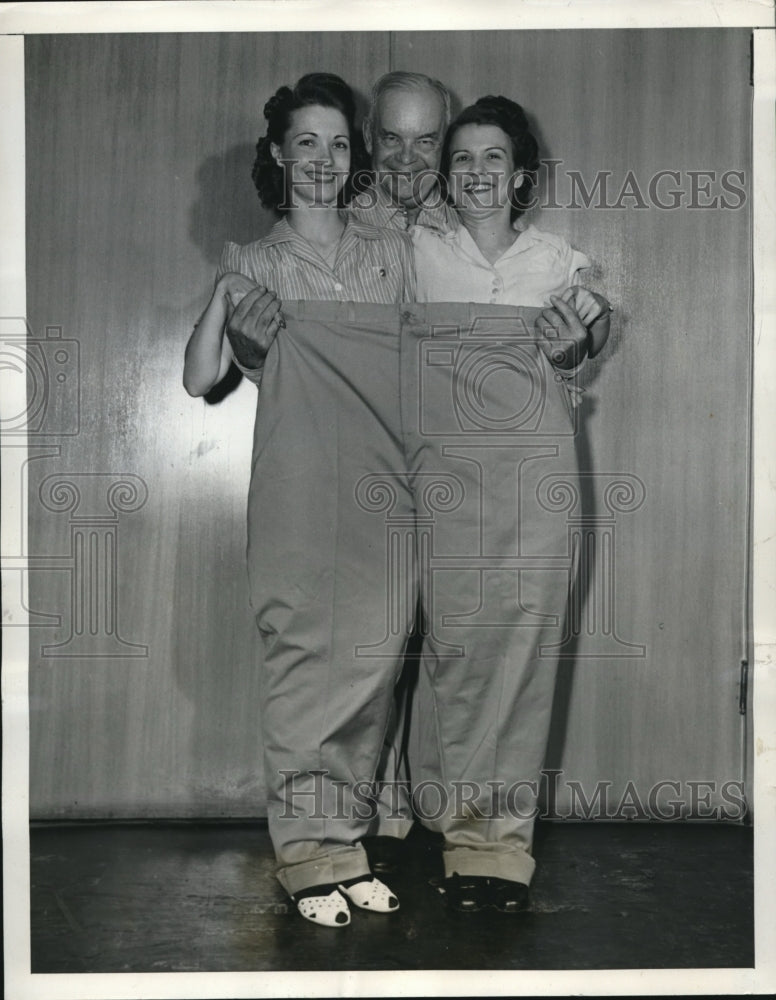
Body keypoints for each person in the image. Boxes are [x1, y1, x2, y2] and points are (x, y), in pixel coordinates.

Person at [184, 73, 416, 927]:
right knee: (302, 673)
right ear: (279, 154)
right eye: (306, 142)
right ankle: (305, 856)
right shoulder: (254, 263)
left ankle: (344, 844)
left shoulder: (390, 246)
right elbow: (200, 375)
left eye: (339, 143)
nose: (324, 159)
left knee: (369, 668)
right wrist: (222, 299)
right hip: (297, 491)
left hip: (387, 493)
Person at [408, 94, 610, 913]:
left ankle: (495, 847)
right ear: (446, 178)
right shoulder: (413, 255)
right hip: (443, 476)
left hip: (535, 473)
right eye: (463, 160)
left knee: (524, 647)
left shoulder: (560, 263)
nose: (479, 172)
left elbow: (581, 359)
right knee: (451, 645)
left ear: (520, 173)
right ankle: (436, 812)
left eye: (495, 158)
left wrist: (578, 346)